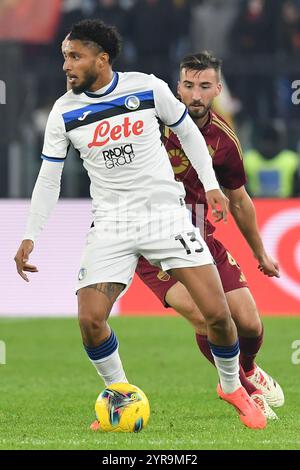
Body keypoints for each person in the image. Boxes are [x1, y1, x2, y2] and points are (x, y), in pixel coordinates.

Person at [14, 20, 266, 430]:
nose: (66, 65)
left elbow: (187, 131)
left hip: (166, 216)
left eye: (74, 56)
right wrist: (30, 234)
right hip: (112, 223)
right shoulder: (64, 111)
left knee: (219, 316)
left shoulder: (146, 87)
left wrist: (210, 186)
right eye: (64, 57)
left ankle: (230, 386)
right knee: (90, 320)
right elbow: (49, 177)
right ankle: (120, 392)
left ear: (102, 58)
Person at [136, 51, 284, 419]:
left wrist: (261, 252)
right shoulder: (149, 124)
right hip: (152, 241)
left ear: (218, 89)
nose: (196, 95)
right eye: (188, 86)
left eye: (204, 86)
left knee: (249, 323)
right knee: (208, 318)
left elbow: (240, 200)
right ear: (178, 88)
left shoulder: (224, 140)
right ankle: (241, 390)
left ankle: (247, 369)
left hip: (199, 237)